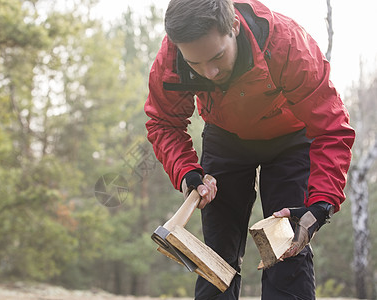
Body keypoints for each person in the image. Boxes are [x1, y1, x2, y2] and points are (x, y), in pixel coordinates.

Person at [144, 0, 355, 299]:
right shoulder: (171, 57)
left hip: (290, 139)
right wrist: (188, 173)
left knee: (286, 251)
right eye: (195, 64)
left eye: (217, 56)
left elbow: (331, 129)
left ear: (234, 27)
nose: (210, 72)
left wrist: (321, 204)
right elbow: (163, 122)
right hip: (224, 136)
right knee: (217, 255)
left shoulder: (288, 43)